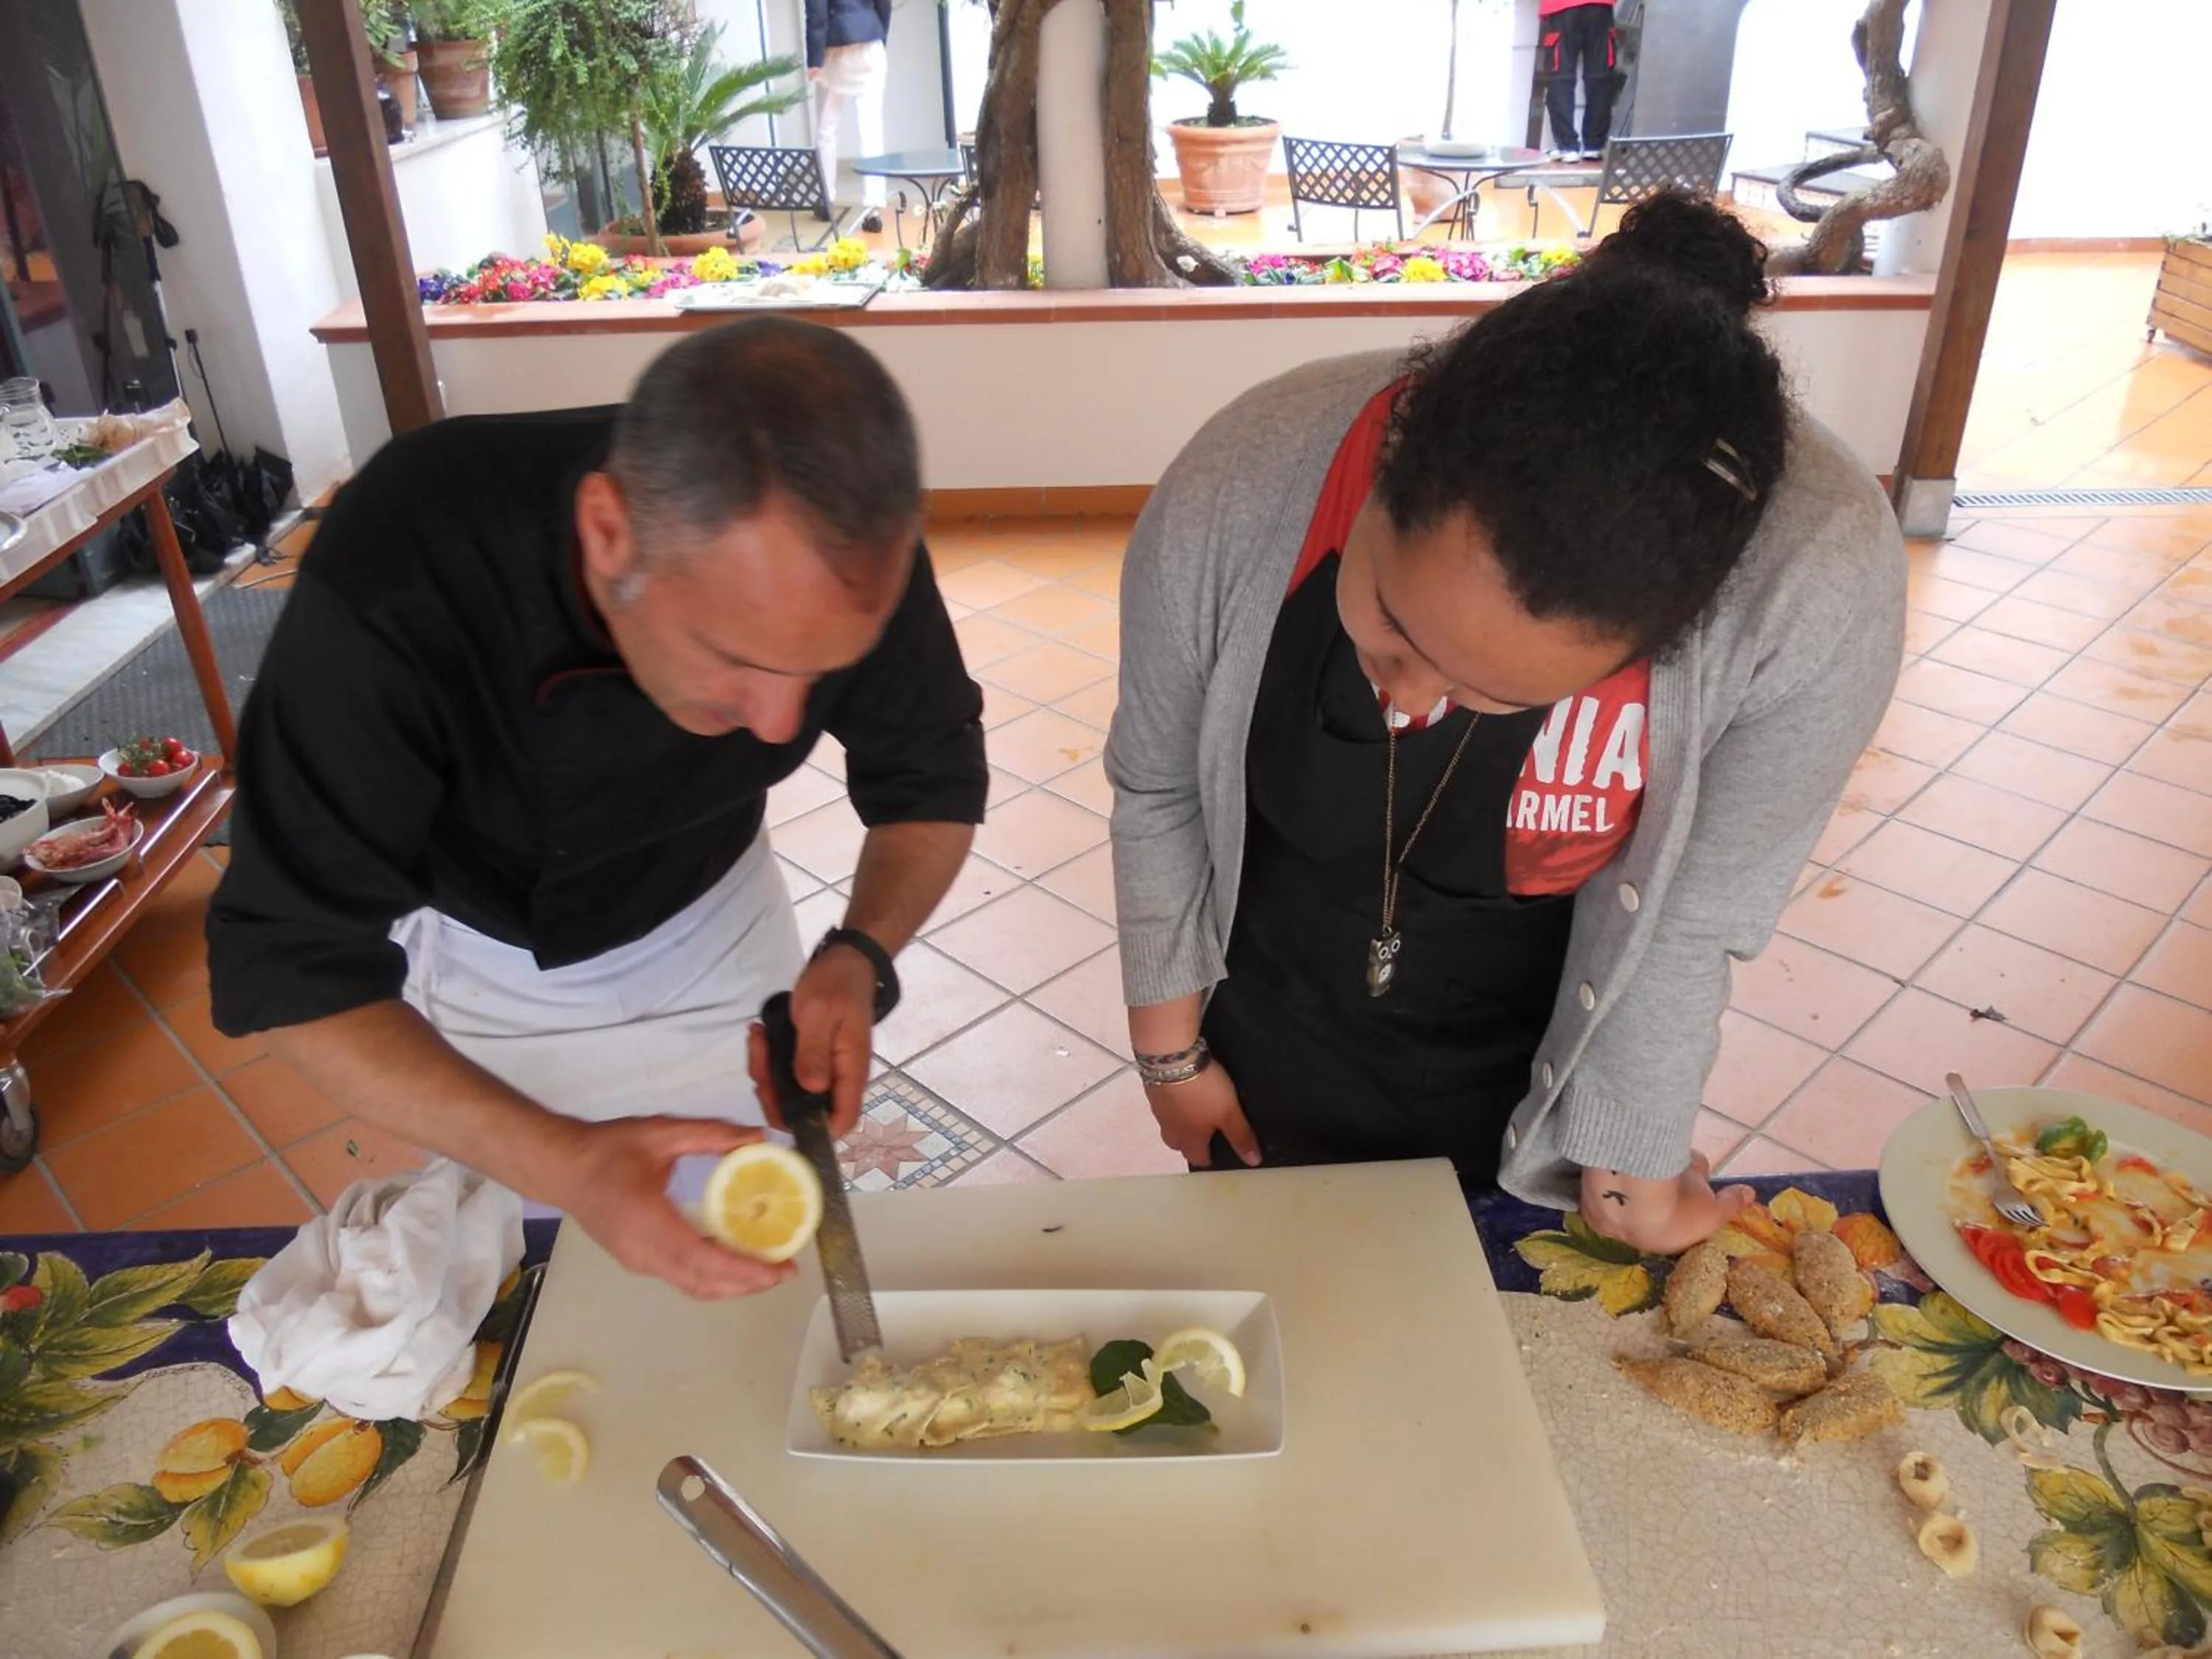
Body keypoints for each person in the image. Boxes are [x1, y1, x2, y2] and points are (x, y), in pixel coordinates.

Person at [1107, 193, 1906, 1256]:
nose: (1409, 703)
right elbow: (1158, 783)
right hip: (1270, 1008)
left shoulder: (1814, 586)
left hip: (1527, 1058)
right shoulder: (1248, 472)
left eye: (1498, 695)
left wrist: (1632, 1173)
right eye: (1391, 627)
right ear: (1391, 462)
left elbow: (1688, 916)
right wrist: (1171, 1056)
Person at [206, 318, 985, 1299]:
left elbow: (934, 779)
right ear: (609, 530)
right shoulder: (408, 559)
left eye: (817, 675)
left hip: (721, 924)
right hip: (494, 968)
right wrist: (569, 1161)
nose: (779, 722)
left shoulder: (846, 537)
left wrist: (858, 952)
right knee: (543, 1287)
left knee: (756, 1282)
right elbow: (290, 967)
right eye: (736, 659)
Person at [805, 0, 893, 234]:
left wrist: (814, 58)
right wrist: (879, 34)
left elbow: (816, 13)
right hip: (871, 42)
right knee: (872, 130)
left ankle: (826, 200)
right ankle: (873, 208)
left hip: (836, 48)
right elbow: (884, 4)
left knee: (827, 128)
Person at [1540, 0, 1618, 162]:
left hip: (1561, 6)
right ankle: (1594, 146)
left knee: (1561, 77)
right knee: (1600, 77)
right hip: (1600, 7)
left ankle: (1567, 146)